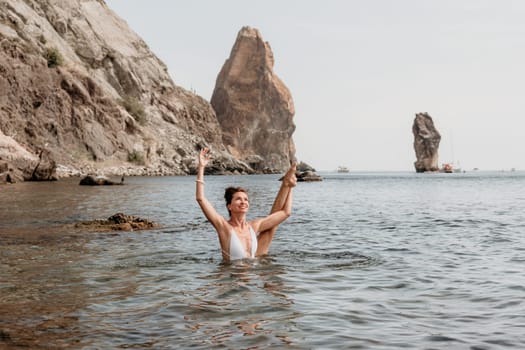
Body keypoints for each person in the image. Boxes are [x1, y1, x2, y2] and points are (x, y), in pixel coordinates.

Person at [196, 148, 296, 262]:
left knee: (270, 228)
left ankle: (286, 184)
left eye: (246, 199)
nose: (243, 202)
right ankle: (285, 184)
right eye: (238, 199)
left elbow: (286, 212)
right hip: (231, 277)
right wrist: (201, 167)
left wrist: (291, 188)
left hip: (253, 277)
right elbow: (200, 198)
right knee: (269, 229)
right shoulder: (224, 227)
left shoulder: (254, 226)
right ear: (229, 206)